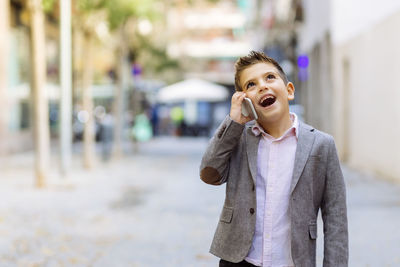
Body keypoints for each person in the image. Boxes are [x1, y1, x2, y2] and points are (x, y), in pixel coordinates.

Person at [199, 51, 348, 267]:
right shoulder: (238, 138)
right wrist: (233, 122)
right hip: (239, 260)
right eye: (250, 84)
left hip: (292, 262)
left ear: (289, 91)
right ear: (245, 101)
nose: (262, 86)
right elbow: (209, 174)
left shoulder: (321, 145)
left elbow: (336, 219)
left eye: (270, 77)